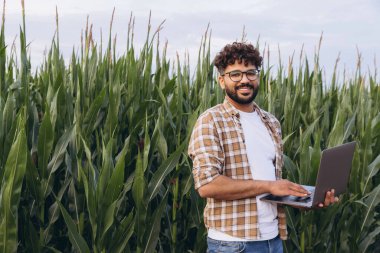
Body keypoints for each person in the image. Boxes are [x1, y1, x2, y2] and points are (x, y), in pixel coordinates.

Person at [188, 42, 337, 253]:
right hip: (232, 244)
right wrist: (269, 186)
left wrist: (307, 198)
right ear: (222, 81)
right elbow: (207, 185)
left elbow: (270, 186)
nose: (245, 80)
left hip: (273, 240)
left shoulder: (271, 122)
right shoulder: (211, 121)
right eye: (235, 74)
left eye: (251, 73)